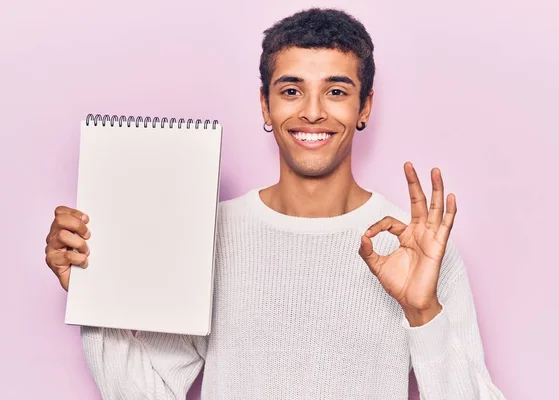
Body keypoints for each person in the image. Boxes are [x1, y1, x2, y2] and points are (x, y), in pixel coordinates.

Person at [44, 8, 505, 400]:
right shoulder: (209, 234)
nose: (312, 111)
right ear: (265, 106)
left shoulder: (418, 249)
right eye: (291, 90)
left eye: (337, 91)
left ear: (365, 107)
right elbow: (149, 391)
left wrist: (422, 312)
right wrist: (93, 294)